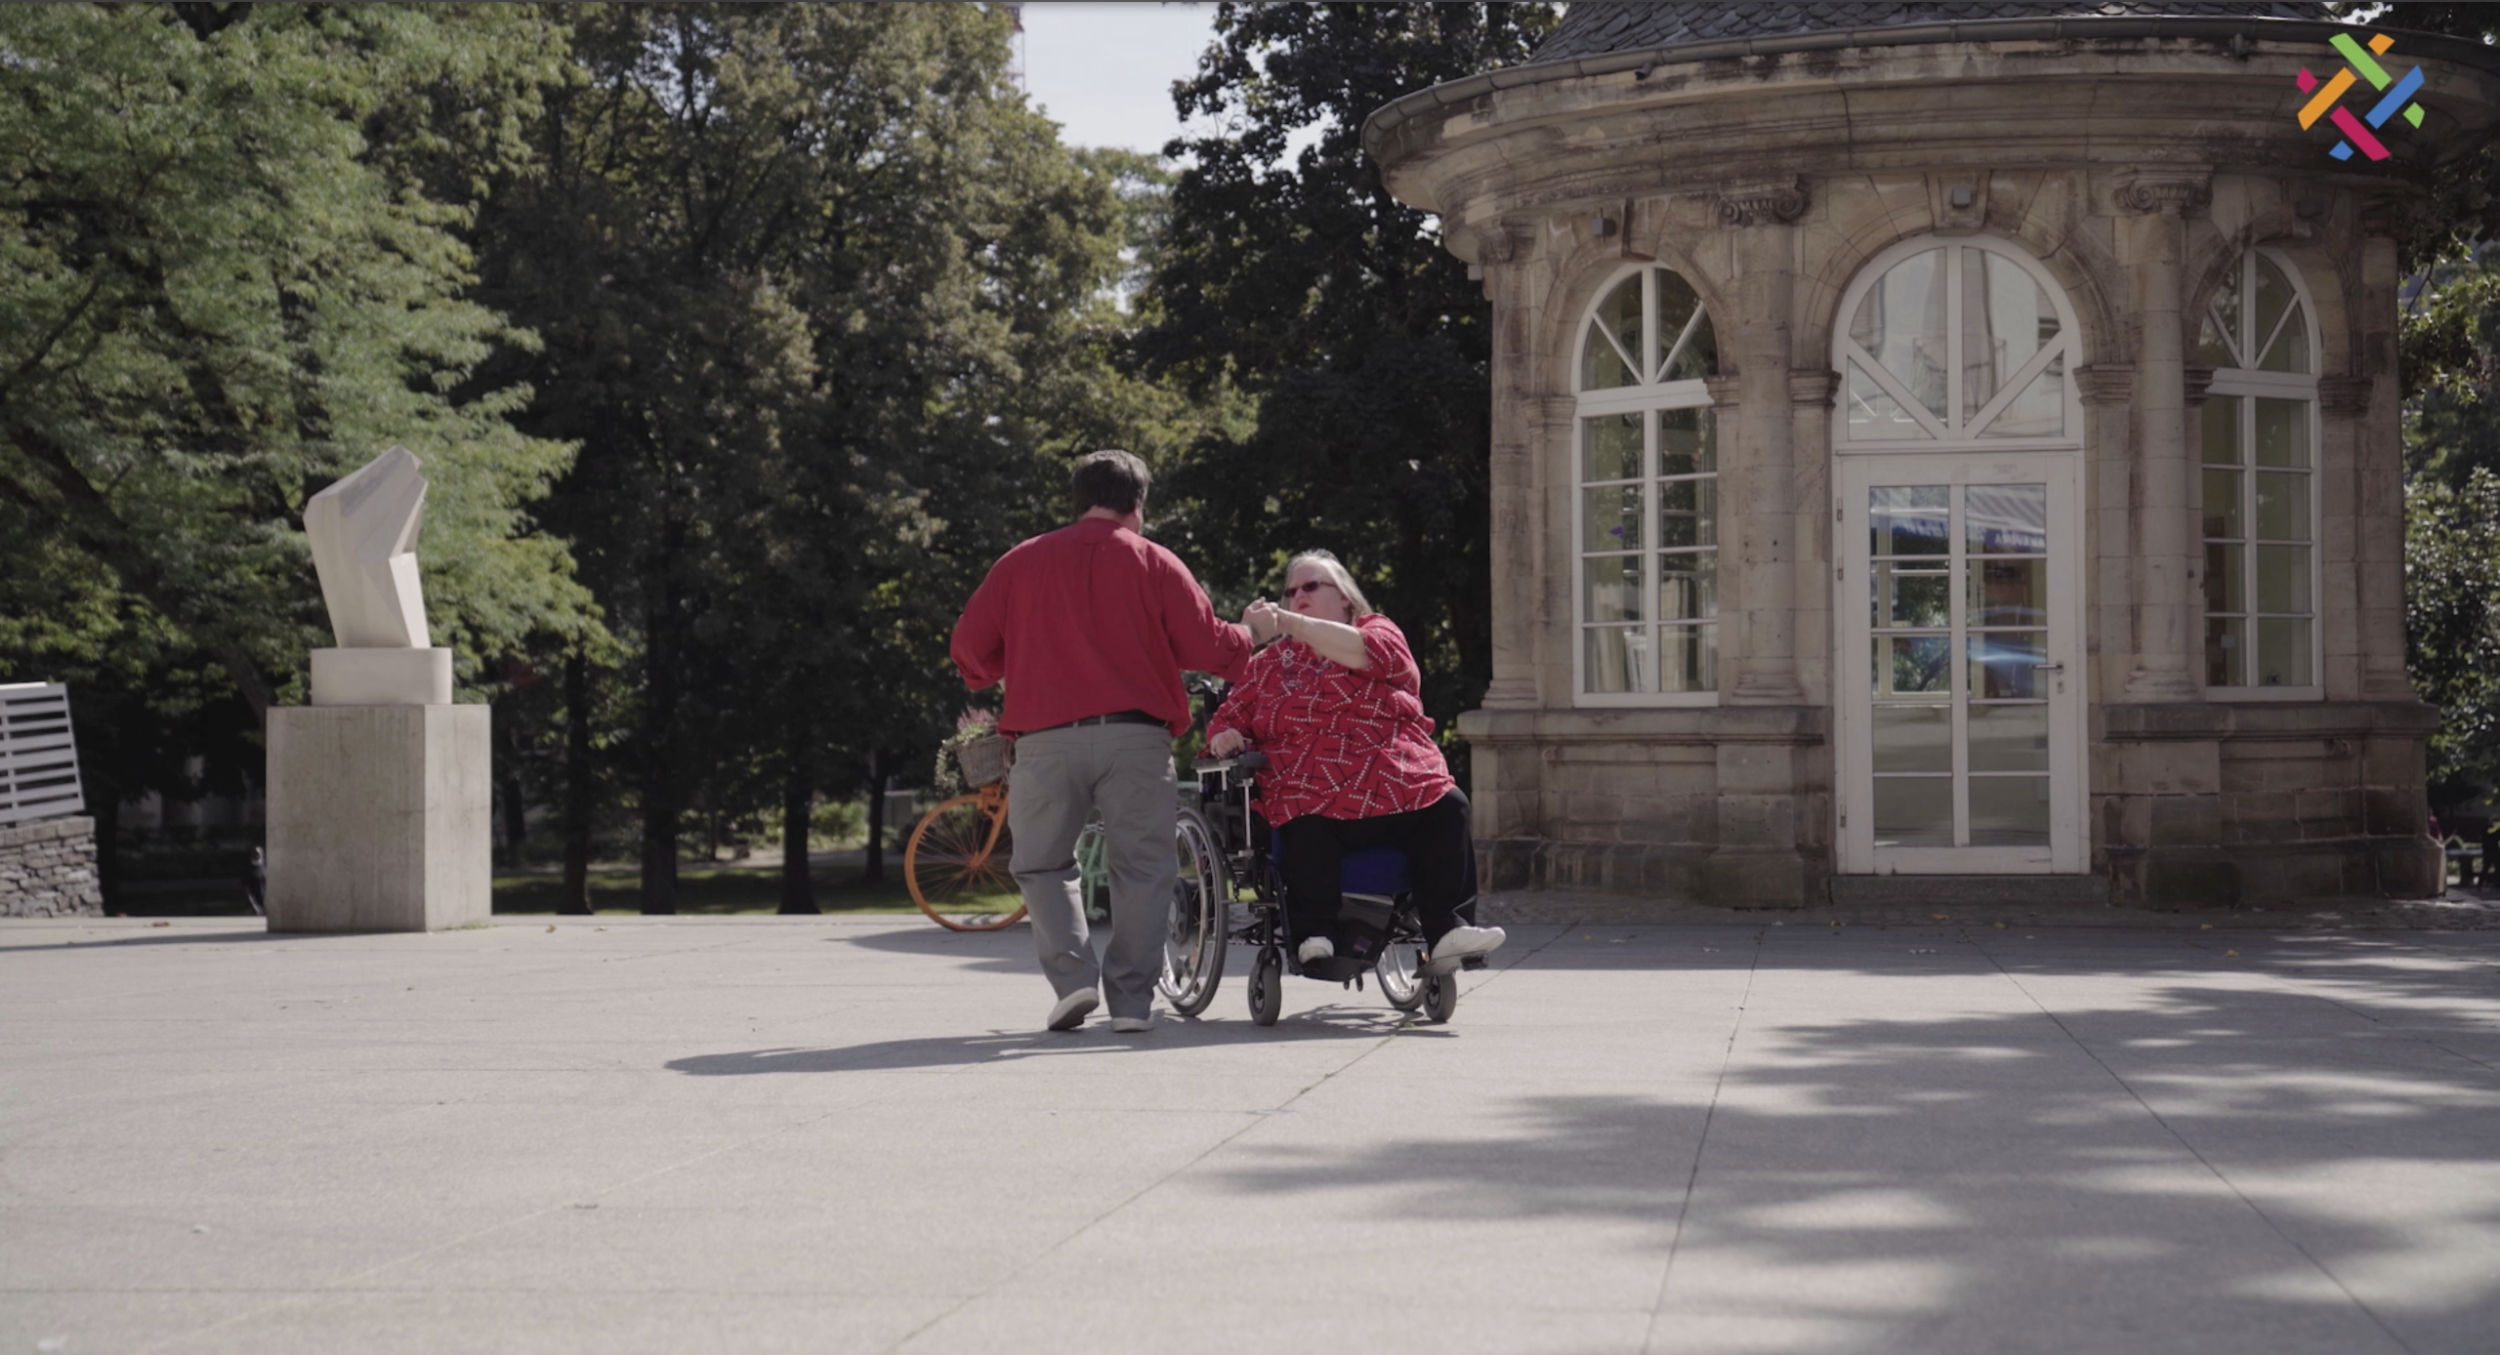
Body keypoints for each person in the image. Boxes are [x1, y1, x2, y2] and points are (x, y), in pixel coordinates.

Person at [951, 450, 1279, 1034]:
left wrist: (1020, 659)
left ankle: (1075, 981)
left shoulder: (1020, 563)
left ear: (1079, 498)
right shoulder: (1154, 561)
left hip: (1046, 740)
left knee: (1042, 865)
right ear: (1139, 503)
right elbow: (1210, 647)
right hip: (1136, 737)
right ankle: (1130, 1003)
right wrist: (1252, 631)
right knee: (1144, 869)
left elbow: (970, 651)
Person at [1204, 550, 1504, 976]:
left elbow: (1374, 656)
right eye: (1290, 592)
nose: (1297, 596)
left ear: (1345, 597)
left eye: (1310, 586)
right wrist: (1223, 735)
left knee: (1449, 805)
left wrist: (1290, 624)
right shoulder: (1270, 664)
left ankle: (1447, 931)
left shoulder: (1377, 631)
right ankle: (1314, 932)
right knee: (1305, 811)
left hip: (1397, 783)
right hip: (1312, 792)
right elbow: (1226, 717)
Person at [240, 847, 266, 917]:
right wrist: (254, 905)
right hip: (252, 906)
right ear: (251, 855)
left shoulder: (265, 867)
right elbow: (246, 889)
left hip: (265, 904)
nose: (258, 855)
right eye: (256, 853)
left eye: (259, 853)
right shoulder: (247, 869)